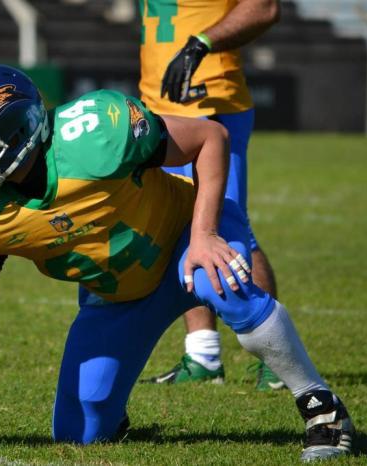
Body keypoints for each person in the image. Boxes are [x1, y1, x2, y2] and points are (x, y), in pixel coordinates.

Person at [0, 64, 354, 461]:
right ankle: (111, 407)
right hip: (120, 296)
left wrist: (205, 233)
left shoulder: (95, 134)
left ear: (18, 134)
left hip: (181, 242)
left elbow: (209, 136)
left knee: (221, 279)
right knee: (77, 434)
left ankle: (320, 406)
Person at [140, 0, 284, 390]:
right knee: (178, 228)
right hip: (160, 106)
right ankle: (203, 355)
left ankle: (277, 359)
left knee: (229, 229)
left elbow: (264, 8)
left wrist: (201, 43)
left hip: (211, 102)